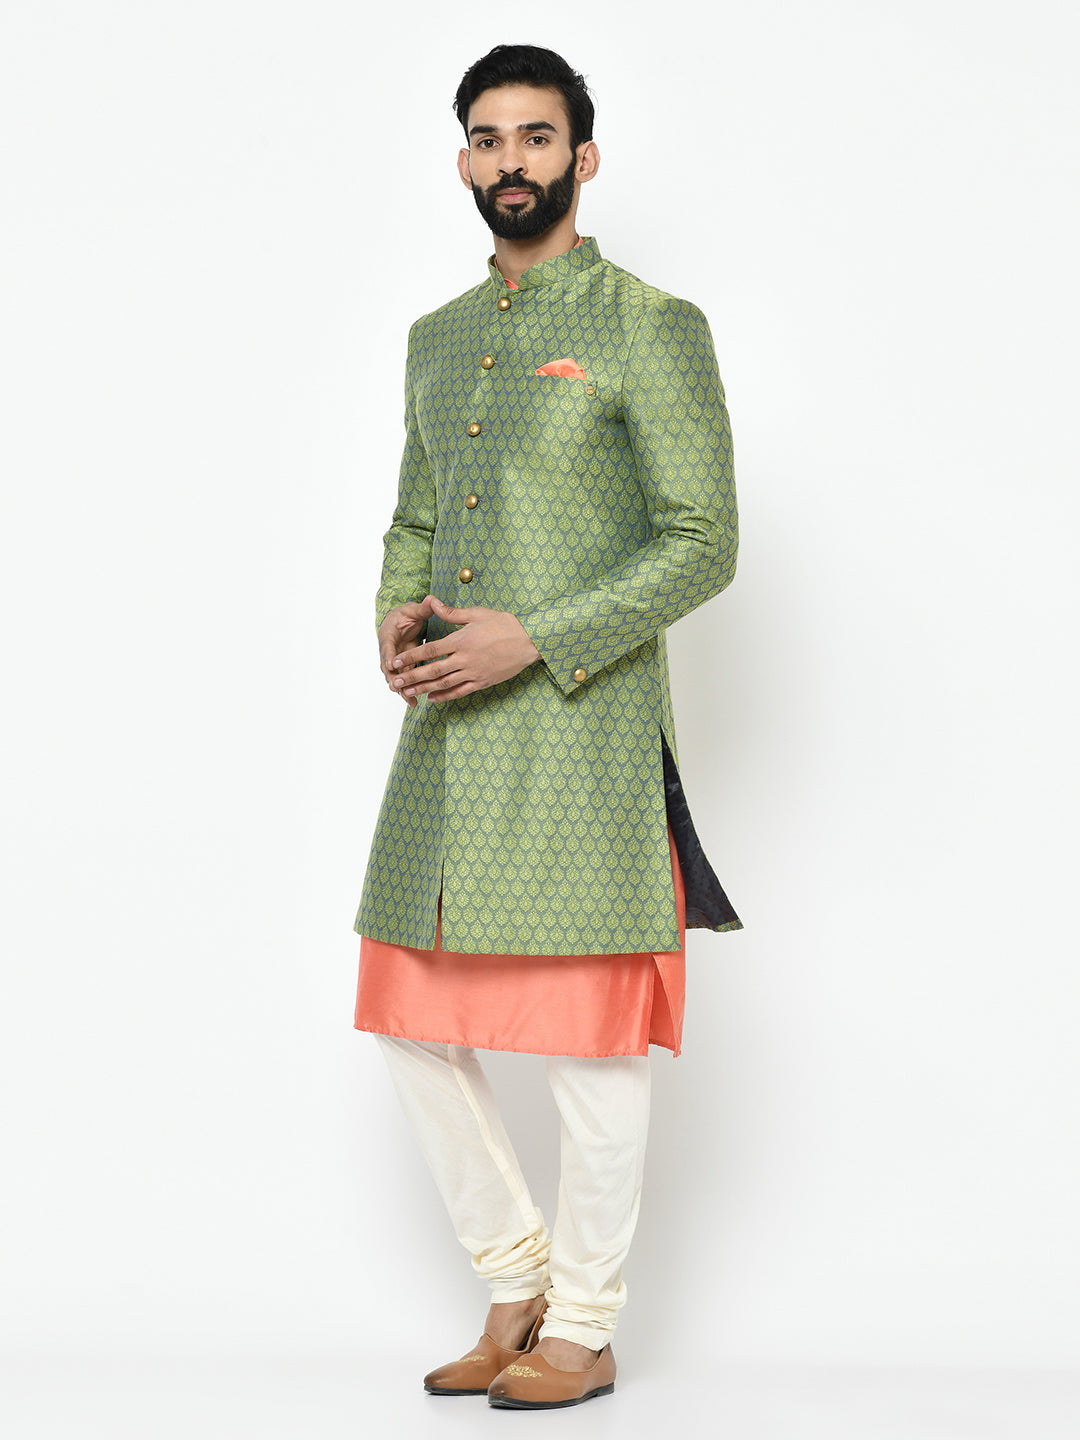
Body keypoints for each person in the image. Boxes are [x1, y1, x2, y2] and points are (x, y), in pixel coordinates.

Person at [352, 43, 742, 1410]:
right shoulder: (437, 336)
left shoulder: (651, 324)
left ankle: (583, 1321)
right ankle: (513, 1276)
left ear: (584, 155)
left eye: (534, 136)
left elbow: (703, 541)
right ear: (463, 160)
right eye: (486, 137)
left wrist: (538, 634)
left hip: (583, 725)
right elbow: (415, 510)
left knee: (589, 1039)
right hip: (451, 727)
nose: (508, 160)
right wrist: (396, 609)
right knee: (405, 1005)